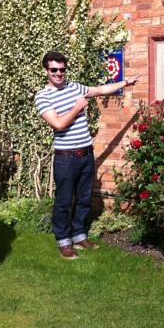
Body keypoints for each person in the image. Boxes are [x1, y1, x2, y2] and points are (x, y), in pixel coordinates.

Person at [35, 51, 139, 260]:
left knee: (83, 198)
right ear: (46, 70)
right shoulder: (42, 96)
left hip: (85, 154)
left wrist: (126, 82)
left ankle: (80, 235)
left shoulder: (75, 87)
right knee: (64, 201)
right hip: (66, 158)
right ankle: (64, 241)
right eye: (54, 70)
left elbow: (101, 89)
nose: (58, 73)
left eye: (62, 69)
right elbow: (58, 124)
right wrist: (77, 107)